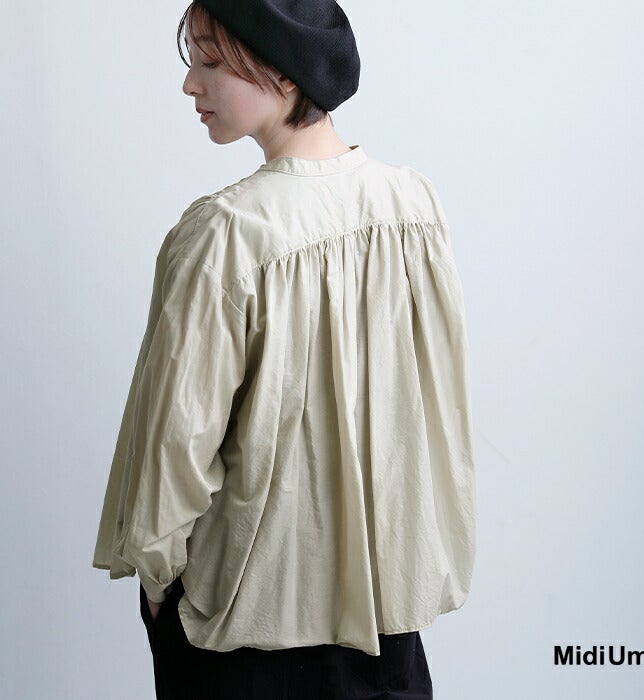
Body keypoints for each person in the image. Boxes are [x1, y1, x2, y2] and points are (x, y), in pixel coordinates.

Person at [91, 1, 477, 697]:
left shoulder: (225, 233)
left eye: (211, 61)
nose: (190, 83)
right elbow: (433, 408)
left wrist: (156, 581)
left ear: (286, 74)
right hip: (386, 624)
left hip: (245, 632)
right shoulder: (412, 207)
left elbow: (177, 444)